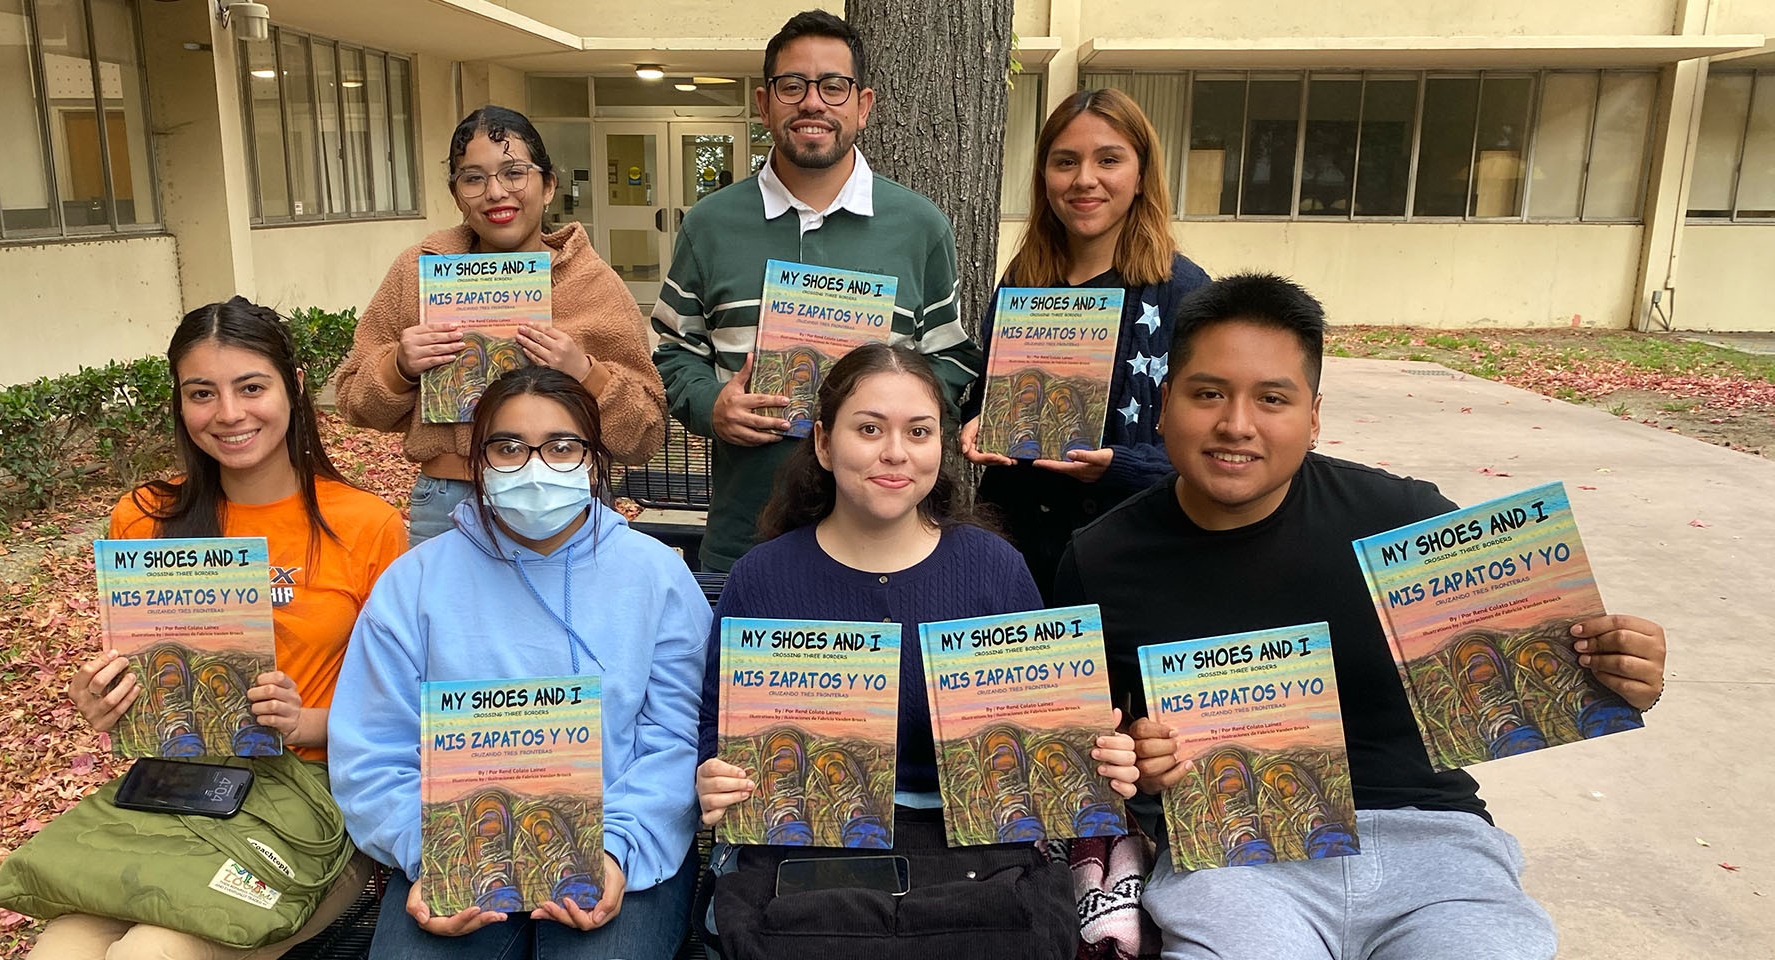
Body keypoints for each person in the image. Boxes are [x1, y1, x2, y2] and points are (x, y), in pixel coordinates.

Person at [1054, 274, 1669, 960]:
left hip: (1433, 850)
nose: (1236, 424)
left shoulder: (1406, 524)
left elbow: (1541, 676)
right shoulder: (1100, 559)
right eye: (1208, 394)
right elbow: (1089, 760)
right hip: (1237, 858)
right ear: (1164, 404)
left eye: (1272, 399)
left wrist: (1618, 671)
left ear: (1313, 417)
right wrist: (1137, 758)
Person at [693, 343, 1142, 958]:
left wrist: (1097, 757)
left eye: (919, 431)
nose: (895, 452)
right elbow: (714, 736)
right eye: (869, 429)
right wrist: (715, 778)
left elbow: (1049, 743)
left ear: (942, 445)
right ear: (823, 443)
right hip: (813, 860)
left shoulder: (994, 570)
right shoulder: (761, 578)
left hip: (978, 860)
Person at [34, 297, 407, 960]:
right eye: (202, 393)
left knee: (150, 955)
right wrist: (102, 696)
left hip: (309, 803)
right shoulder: (144, 517)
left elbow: (399, 712)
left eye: (251, 387)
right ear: (180, 402)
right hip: (176, 791)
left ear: (292, 388)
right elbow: (143, 676)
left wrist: (306, 720)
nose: (229, 414)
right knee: (59, 949)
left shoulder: (367, 526)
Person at [329, 366, 710, 959]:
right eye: (508, 447)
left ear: (593, 458)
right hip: (455, 850)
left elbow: (677, 738)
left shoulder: (656, 575)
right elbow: (374, 747)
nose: (535, 467)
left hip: (619, 850)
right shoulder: (415, 584)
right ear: (476, 461)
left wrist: (617, 850)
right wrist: (427, 852)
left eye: (561, 446)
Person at [652, 9, 983, 572]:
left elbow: (950, 360)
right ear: (764, 103)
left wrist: (901, 419)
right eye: (792, 85)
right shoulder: (710, 224)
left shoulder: (920, 226)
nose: (813, 102)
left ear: (863, 105)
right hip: (746, 538)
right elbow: (671, 350)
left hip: (890, 541)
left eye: (833, 86)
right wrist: (714, 406)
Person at [336, 105, 666, 545]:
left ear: (548, 186)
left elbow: (644, 435)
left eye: (514, 173)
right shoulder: (418, 273)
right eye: (473, 178)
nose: (495, 192)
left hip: (565, 498)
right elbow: (353, 401)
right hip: (450, 500)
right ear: (456, 195)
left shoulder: (594, 284)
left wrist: (587, 373)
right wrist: (398, 367)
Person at [960, 87, 1210, 600]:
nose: (1084, 180)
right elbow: (987, 390)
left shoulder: (1184, 292)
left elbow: (1210, 446)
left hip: (1130, 555)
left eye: (1109, 160)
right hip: (1014, 552)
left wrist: (1119, 466)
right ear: (1044, 177)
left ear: (1141, 176)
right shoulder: (1023, 282)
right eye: (1065, 162)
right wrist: (978, 419)